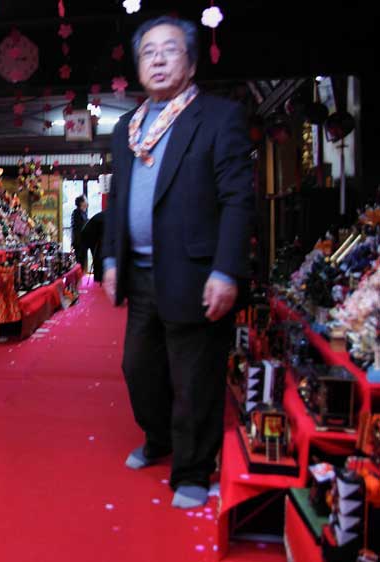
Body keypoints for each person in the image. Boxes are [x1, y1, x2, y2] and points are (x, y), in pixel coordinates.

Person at [101, 15, 254, 508]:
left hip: (195, 270)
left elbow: (237, 200)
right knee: (137, 368)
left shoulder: (218, 117)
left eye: (170, 50)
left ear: (190, 61)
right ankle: (161, 437)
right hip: (141, 273)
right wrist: (108, 259)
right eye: (149, 53)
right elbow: (117, 198)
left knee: (194, 376)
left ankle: (192, 468)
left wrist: (227, 269)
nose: (159, 59)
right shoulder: (128, 127)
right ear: (139, 66)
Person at [78, 211, 105, 279]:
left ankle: (98, 276)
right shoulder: (107, 217)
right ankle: (98, 276)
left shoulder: (103, 215)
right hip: (88, 236)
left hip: (89, 235)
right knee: (97, 256)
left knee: (97, 256)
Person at [71, 195, 89, 271]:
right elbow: (78, 228)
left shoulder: (84, 213)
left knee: (83, 262)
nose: (87, 202)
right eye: (85, 200)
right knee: (79, 262)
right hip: (79, 242)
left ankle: (82, 276)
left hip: (84, 241)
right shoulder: (76, 212)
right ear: (81, 203)